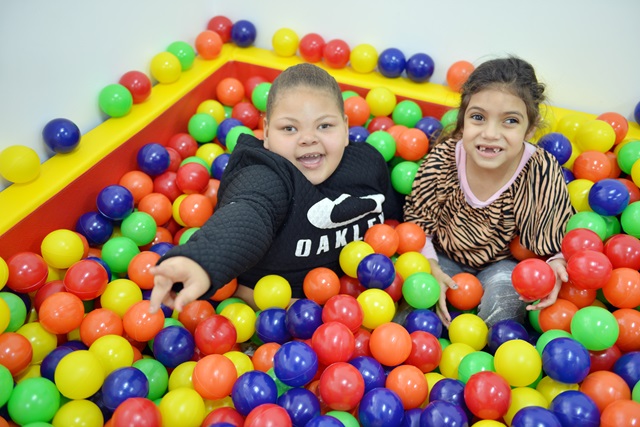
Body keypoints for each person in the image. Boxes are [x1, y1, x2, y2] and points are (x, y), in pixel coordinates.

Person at [149, 63, 403, 314]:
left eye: (325, 126)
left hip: (361, 305)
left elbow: (400, 220)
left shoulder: (368, 164)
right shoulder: (265, 174)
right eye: (289, 128)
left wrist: (428, 258)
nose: (308, 138)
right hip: (268, 314)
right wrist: (200, 261)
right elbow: (250, 211)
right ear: (267, 134)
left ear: (346, 129)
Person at [404, 56, 575, 328]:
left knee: (503, 311)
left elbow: (555, 233)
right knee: (414, 308)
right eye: (478, 117)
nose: (491, 133)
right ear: (463, 120)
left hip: (504, 263)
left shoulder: (539, 169)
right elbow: (417, 223)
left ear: (530, 129)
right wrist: (430, 266)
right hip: (443, 255)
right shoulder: (445, 157)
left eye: (510, 121)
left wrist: (554, 265)